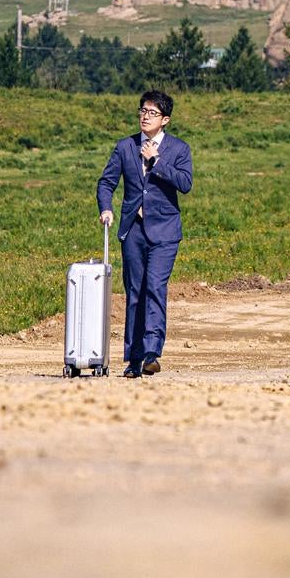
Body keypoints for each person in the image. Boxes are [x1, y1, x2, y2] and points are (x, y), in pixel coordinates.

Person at [97, 90, 193, 377]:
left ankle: (152, 352)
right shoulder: (125, 147)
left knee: (155, 287)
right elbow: (106, 182)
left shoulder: (178, 149)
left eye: (152, 113)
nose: (145, 116)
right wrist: (106, 208)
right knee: (134, 292)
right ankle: (133, 359)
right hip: (133, 230)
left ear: (165, 120)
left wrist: (157, 161)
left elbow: (185, 184)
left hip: (164, 232)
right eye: (142, 111)